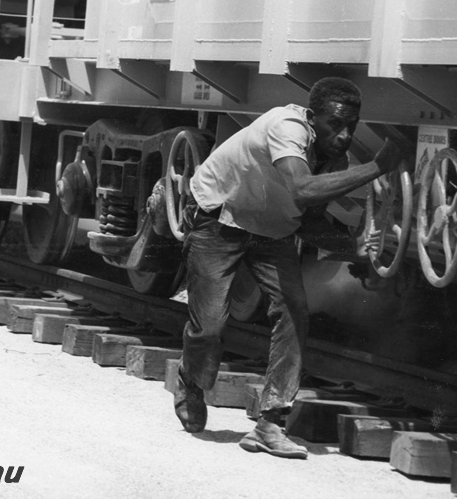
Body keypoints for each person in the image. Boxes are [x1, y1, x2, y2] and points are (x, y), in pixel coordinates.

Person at [173, 77, 404, 459]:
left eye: (351, 126)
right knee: (210, 325)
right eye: (335, 124)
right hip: (220, 217)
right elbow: (301, 189)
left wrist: (353, 248)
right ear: (312, 118)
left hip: (272, 231)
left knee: (295, 312)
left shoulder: (333, 157)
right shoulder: (287, 126)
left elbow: (308, 220)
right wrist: (379, 166)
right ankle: (191, 380)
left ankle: (270, 423)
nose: (345, 136)